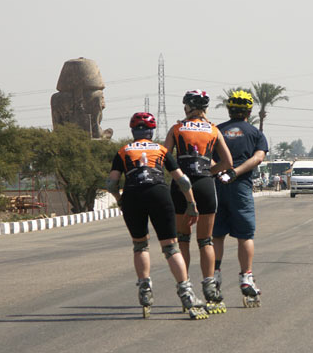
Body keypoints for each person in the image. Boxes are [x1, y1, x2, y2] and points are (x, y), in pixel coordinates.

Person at [106, 112, 209, 320]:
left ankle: (144, 290)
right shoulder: (161, 150)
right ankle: (187, 294)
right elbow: (184, 181)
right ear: (151, 132)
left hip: (133, 195)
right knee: (171, 247)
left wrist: (119, 199)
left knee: (140, 244)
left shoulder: (124, 151)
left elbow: (111, 183)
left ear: (133, 131)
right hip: (159, 194)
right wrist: (191, 204)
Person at [164, 90, 233, 314]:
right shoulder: (213, 130)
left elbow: (165, 158)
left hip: (181, 186)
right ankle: (210, 288)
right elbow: (228, 162)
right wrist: (208, 172)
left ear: (187, 107)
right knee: (206, 241)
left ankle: (186, 289)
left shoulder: (176, 129)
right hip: (205, 185)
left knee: (182, 239)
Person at [212, 90, 268, 308]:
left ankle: (214, 276)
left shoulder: (216, 130)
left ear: (229, 109)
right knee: (245, 234)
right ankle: (246, 277)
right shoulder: (255, 132)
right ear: (250, 111)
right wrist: (235, 172)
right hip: (240, 187)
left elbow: (205, 158)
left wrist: (218, 172)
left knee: (216, 234)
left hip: (216, 186)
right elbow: (258, 157)